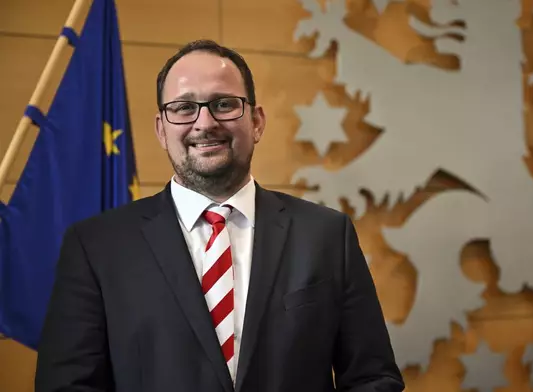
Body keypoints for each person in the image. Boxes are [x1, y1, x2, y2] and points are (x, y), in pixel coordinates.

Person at [34, 39, 405, 392]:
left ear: (256, 121)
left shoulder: (326, 235)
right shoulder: (96, 246)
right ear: (162, 130)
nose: (205, 122)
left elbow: (373, 378)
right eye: (183, 108)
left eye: (224, 104)